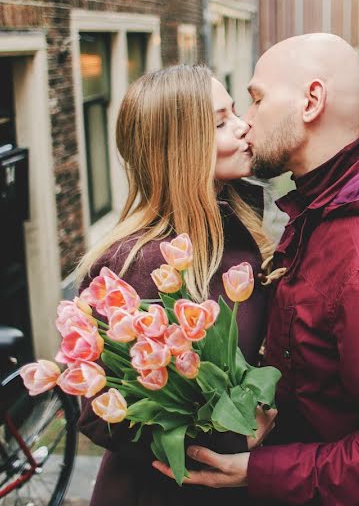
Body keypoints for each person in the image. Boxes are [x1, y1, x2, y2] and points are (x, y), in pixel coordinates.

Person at [155, 34, 359, 504]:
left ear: (311, 101)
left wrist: (261, 471)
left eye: (255, 100)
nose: (246, 121)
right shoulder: (324, 204)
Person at [77, 65, 276, 506]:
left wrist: (263, 410)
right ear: (184, 149)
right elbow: (96, 413)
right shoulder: (134, 264)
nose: (244, 127)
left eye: (236, 112)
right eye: (222, 122)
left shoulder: (238, 225)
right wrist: (222, 438)